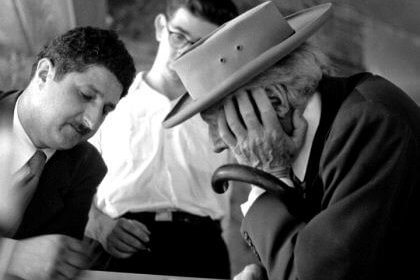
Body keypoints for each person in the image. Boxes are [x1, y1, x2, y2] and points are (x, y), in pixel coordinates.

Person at [162, 1, 420, 280]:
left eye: (219, 123)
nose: (217, 143)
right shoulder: (328, 128)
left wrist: (266, 175)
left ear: (275, 101)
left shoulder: (371, 125)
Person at [84, 0, 239, 278]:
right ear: (160, 28)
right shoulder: (109, 99)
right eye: (178, 36)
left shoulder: (228, 110)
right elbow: (67, 183)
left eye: (201, 45)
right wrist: (98, 225)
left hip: (200, 251)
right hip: (116, 243)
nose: (184, 53)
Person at [0, 26, 136, 280]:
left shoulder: (87, 167)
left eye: (106, 110)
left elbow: (53, 271)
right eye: (86, 95)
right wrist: (11, 256)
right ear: (43, 74)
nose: (92, 122)